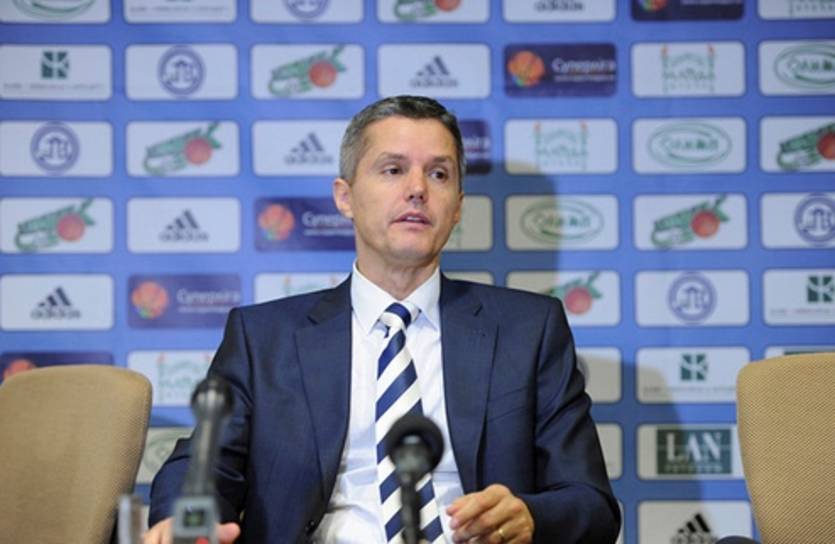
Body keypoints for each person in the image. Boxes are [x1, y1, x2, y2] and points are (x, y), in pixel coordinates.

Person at [145, 95, 620, 543]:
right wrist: (184, 520)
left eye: (438, 174)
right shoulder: (265, 338)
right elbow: (204, 466)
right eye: (393, 169)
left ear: (457, 206)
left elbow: (591, 503)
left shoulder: (528, 331)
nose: (417, 189)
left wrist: (530, 517)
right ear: (345, 197)